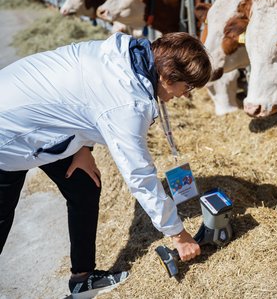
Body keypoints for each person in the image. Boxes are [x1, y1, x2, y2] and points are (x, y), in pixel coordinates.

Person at [0, 31, 212, 298]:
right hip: (8, 131)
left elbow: (83, 96)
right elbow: (140, 176)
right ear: (169, 76)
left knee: (84, 186)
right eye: (188, 87)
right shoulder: (128, 103)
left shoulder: (125, 56)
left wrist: (82, 148)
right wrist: (178, 235)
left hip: (35, 114)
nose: (185, 96)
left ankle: (82, 279)